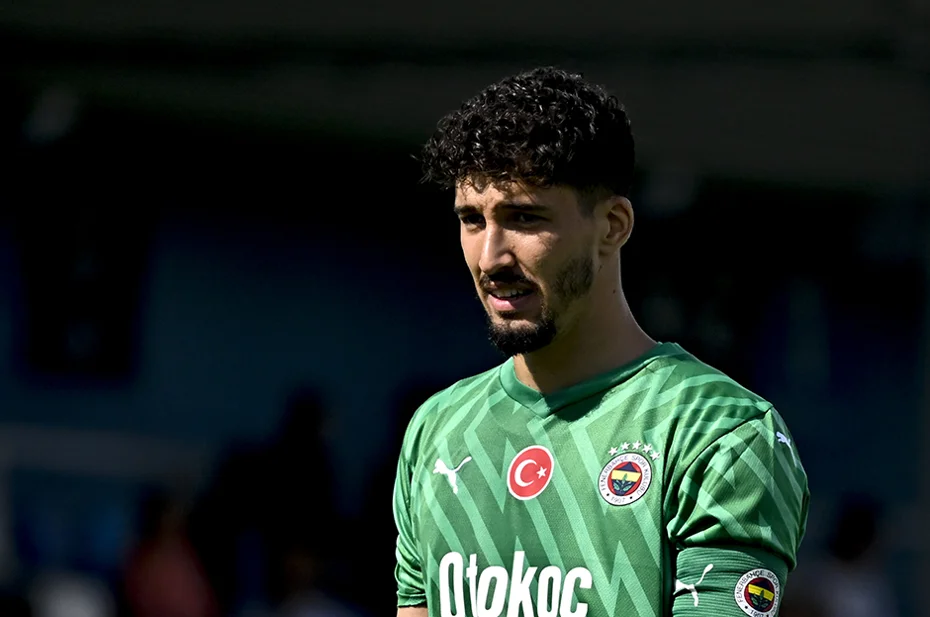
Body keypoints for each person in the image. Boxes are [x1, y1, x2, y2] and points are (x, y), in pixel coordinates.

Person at [392, 66, 810, 617]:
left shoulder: (718, 432)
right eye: (472, 220)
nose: (490, 257)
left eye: (524, 217)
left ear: (613, 225)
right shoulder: (437, 430)